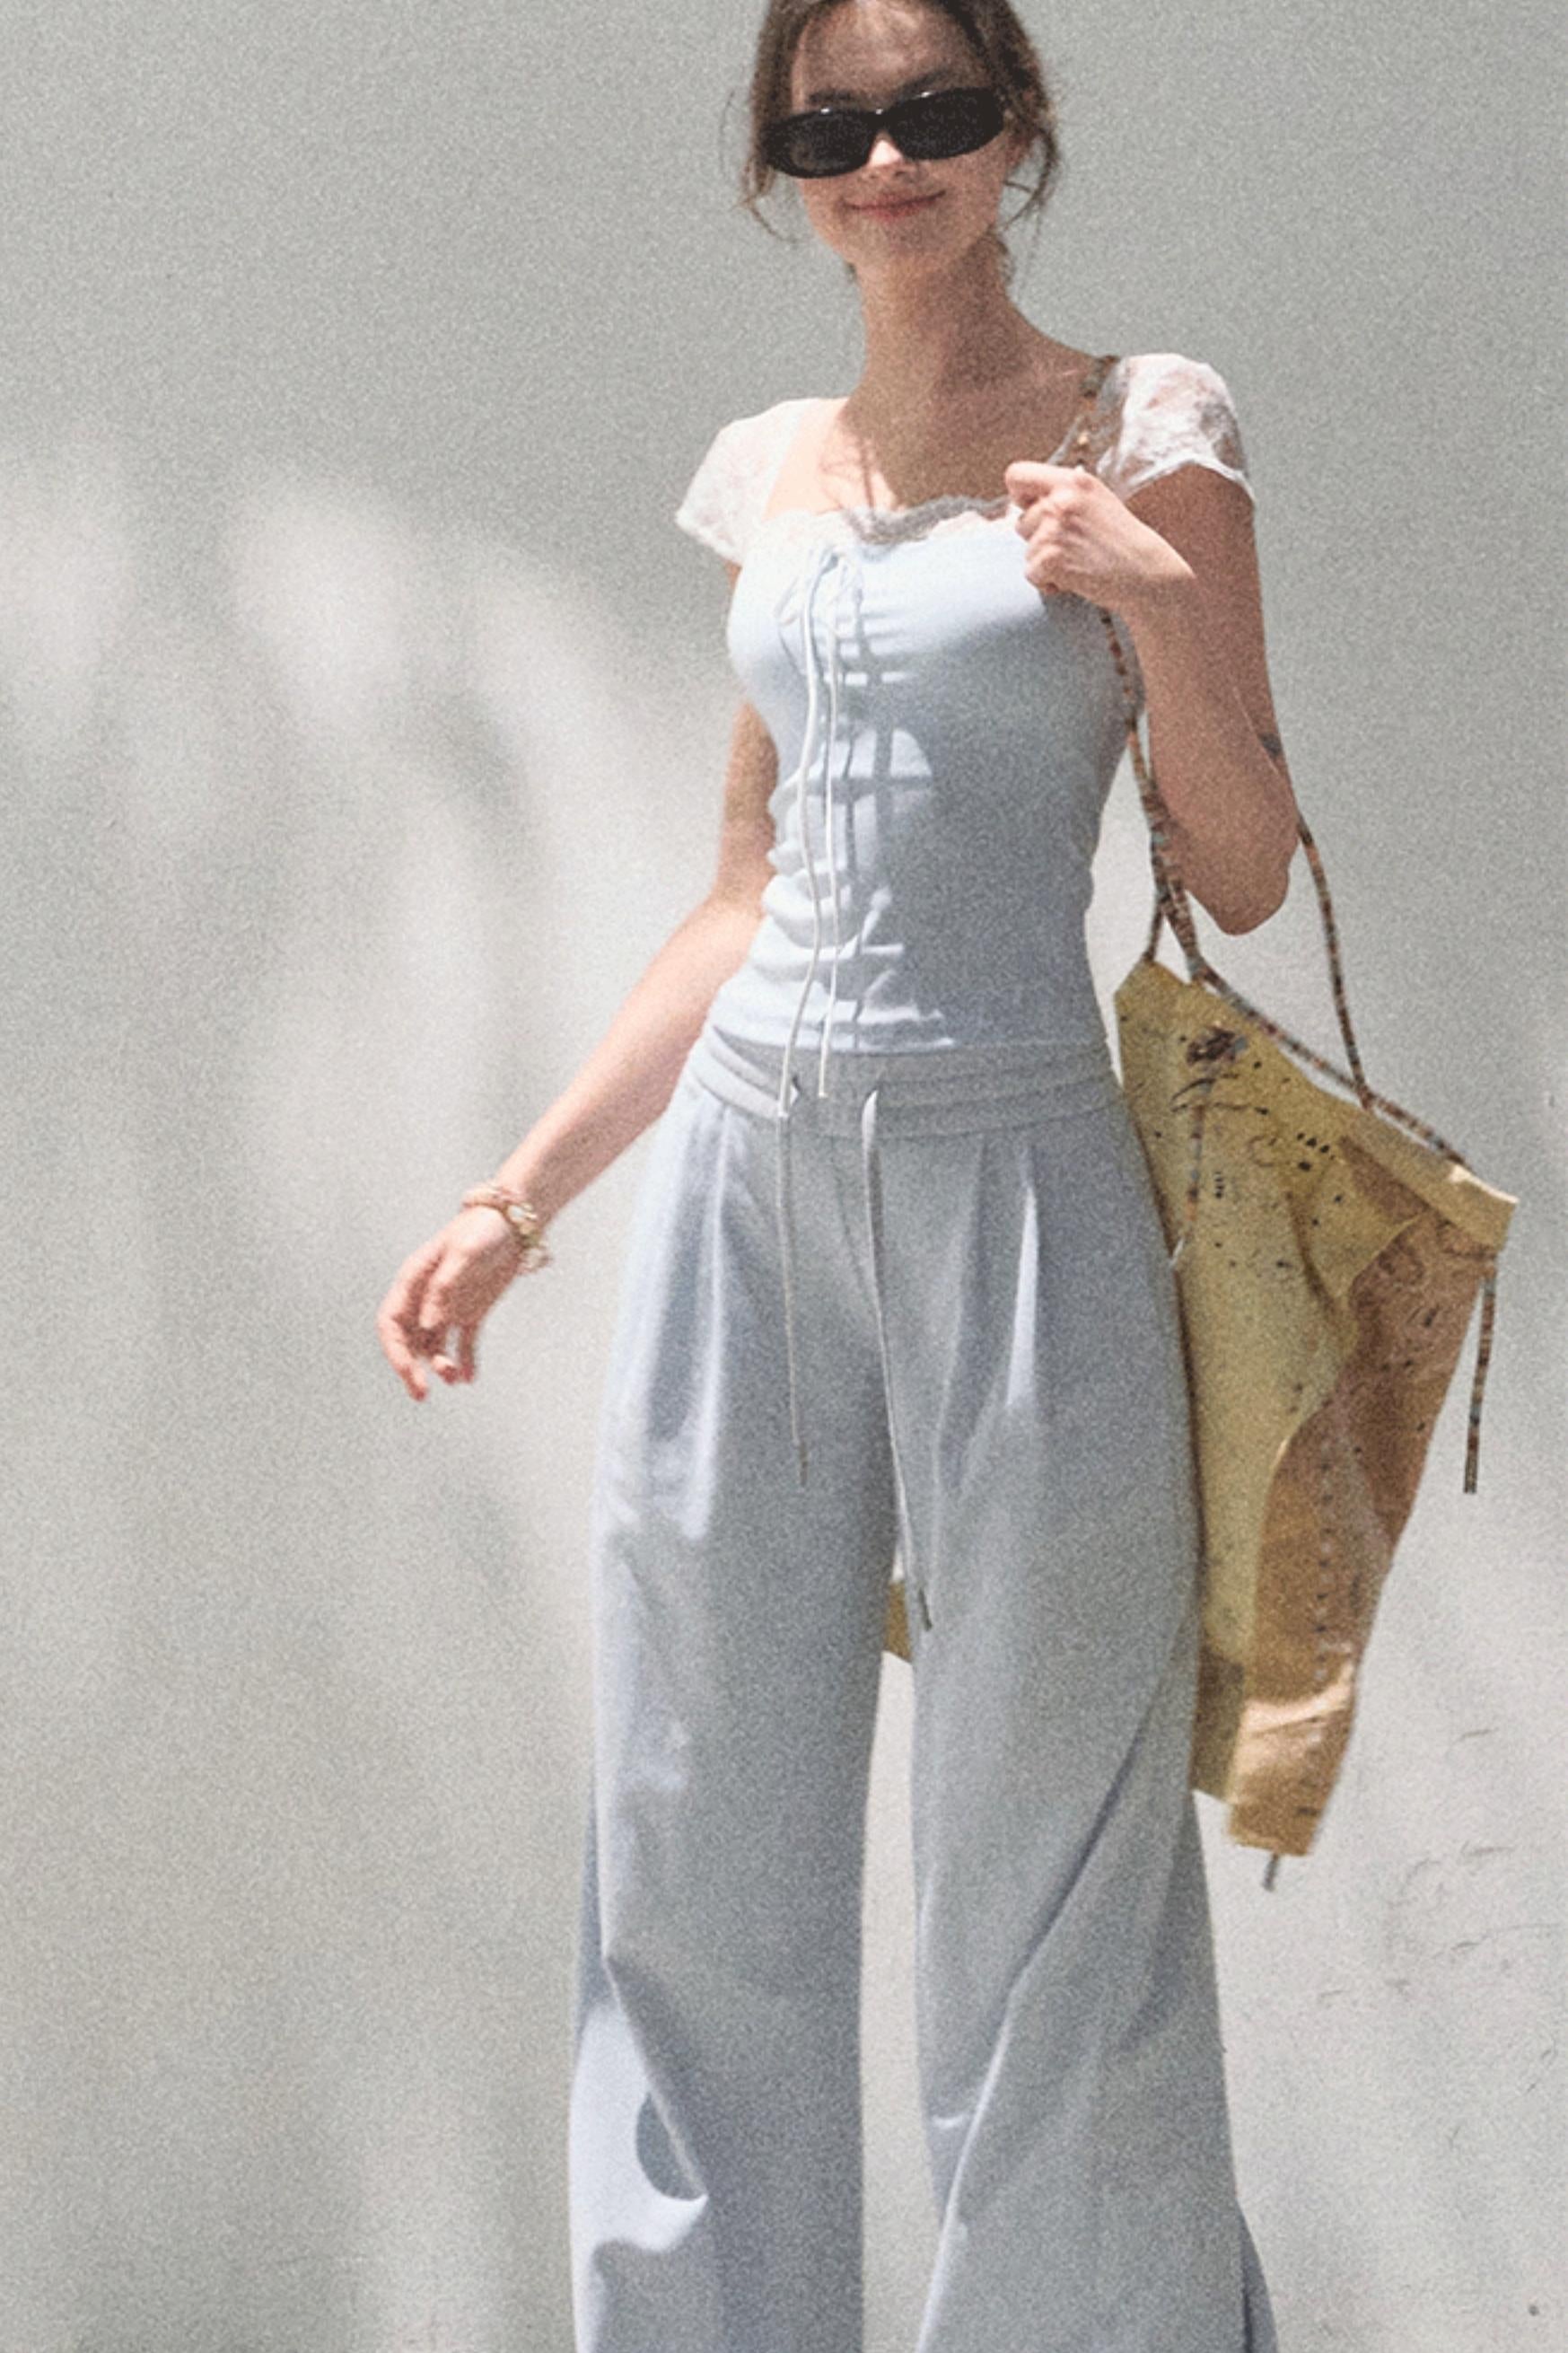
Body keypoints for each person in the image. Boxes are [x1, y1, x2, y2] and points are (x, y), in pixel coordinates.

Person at [378, 1, 1300, 2344]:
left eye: (936, 111)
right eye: (833, 126)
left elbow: (1242, 862)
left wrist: (1148, 593)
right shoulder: (772, 470)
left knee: (1053, 1872)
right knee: (691, 1840)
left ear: (1017, 132)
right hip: (750, 1189)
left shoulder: (1144, 427)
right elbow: (741, 896)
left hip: (1020, 1182)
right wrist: (516, 1197)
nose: (887, 160)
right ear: (782, 167)